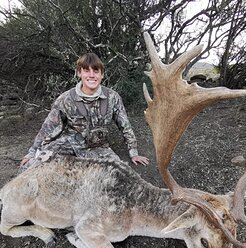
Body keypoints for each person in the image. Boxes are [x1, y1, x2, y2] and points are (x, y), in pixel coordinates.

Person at [20, 53, 149, 171]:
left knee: (118, 174)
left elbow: (125, 126)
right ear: (79, 73)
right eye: (86, 71)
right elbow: (48, 128)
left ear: (102, 74)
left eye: (96, 71)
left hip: (99, 148)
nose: (91, 75)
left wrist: (134, 153)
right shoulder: (66, 99)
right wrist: (32, 152)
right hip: (68, 145)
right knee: (30, 166)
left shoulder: (113, 98)